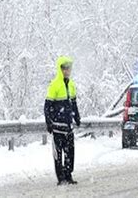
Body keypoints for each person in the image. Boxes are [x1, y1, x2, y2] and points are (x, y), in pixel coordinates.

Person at [44, 56, 81, 185]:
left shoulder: (71, 85)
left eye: (69, 68)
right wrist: (49, 122)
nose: (67, 71)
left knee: (70, 152)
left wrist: (76, 116)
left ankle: (68, 174)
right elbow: (47, 105)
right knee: (58, 154)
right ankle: (61, 177)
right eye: (64, 68)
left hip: (68, 126)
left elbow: (74, 103)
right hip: (58, 126)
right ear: (60, 69)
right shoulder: (54, 85)